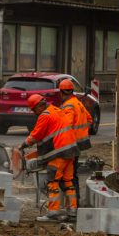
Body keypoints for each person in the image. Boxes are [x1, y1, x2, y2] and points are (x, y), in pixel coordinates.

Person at [19, 93, 78, 222]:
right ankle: (72, 212)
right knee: (68, 182)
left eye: (34, 110)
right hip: (71, 150)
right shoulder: (56, 110)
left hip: (60, 152)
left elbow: (36, 135)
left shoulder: (45, 115)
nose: (35, 113)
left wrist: (24, 144)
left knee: (53, 182)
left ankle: (53, 213)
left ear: (39, 106)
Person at [58, 78, 94, 196]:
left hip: (71, 145)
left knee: (68, 175)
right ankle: (74, 200)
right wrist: (81, 132)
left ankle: (74, 200)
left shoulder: (68, 106)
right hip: (79, 144)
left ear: (61, 92)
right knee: (73, 174)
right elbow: (89, 120)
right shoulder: (78, 103)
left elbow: (66, 127)